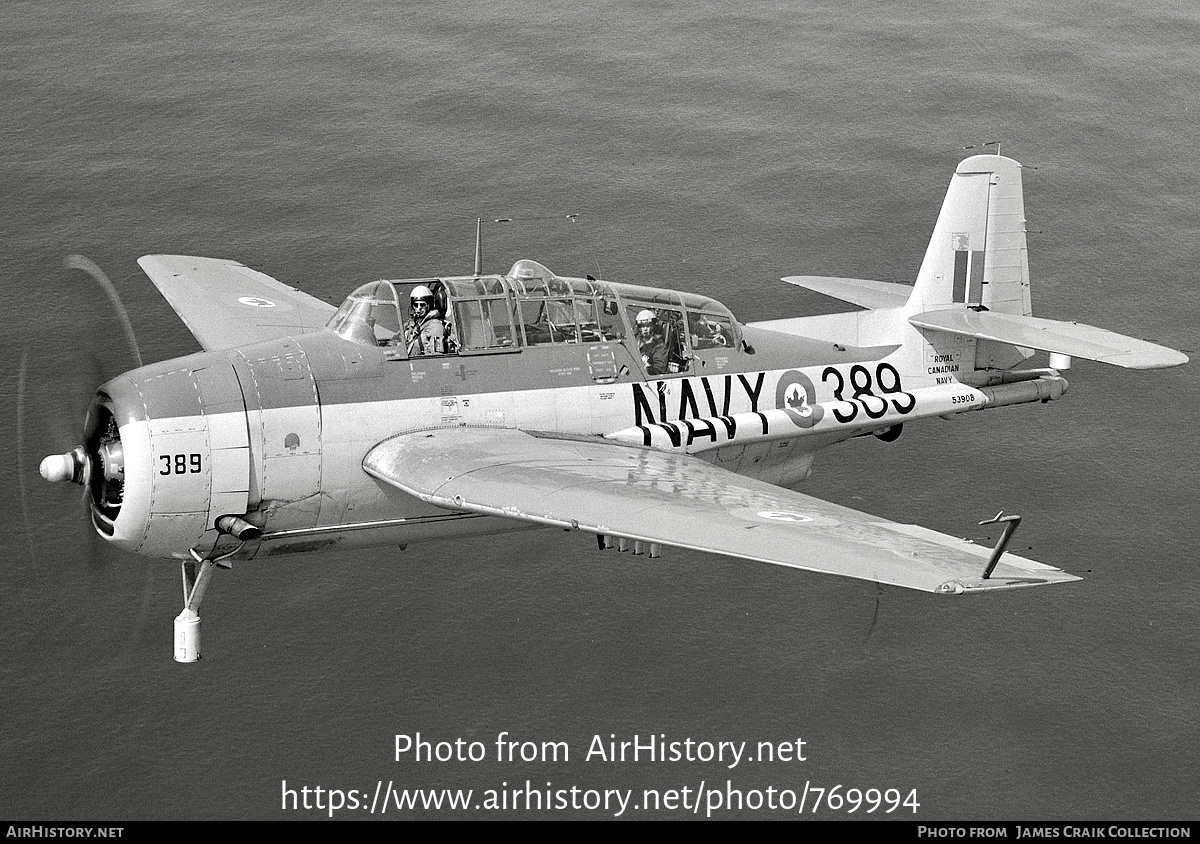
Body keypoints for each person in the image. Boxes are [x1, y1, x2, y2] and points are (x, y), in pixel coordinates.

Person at [404, 285, 446, 355]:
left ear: (430, 305)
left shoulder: (435, 326)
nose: (419, 308)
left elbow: (437, 356)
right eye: (416, 305)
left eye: (422, 305)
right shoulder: (413, 324)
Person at [635, 309, 668, 375]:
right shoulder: (635, 342)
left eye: (648, 326)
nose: (645, 329)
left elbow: (659, 369)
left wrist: (647, 368)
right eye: (642, 326)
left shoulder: (659, 346)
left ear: (653, 326)